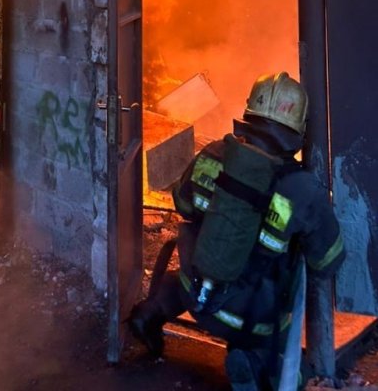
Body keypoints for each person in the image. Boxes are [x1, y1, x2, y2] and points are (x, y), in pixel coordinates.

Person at [129, 71, 345, 391]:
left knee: (179, 277)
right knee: (289, 364)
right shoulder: (302, 189)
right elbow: (328, 261)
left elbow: (183, 204)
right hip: (251, 321)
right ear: (297, 130)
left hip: (195, 293)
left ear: (249, 115)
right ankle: (253, 362)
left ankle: (148, 314)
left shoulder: (212, 154)